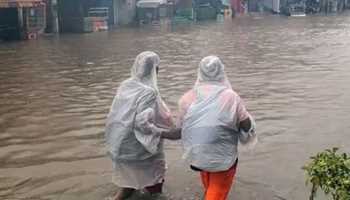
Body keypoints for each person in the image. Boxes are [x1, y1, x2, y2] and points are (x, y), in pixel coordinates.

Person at [176, 56, 257, 200]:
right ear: (221, 72)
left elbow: (181, 130)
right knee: (217, 192)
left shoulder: (186, 98)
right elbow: (246, 125)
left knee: (210, 186)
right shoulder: (230, 97)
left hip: (197, 157)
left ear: (199, 72)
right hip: (223, 159)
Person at [105, 51, 176, 200]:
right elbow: (142, 123)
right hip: (140, 147)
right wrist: (164, 133)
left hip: (122, 142)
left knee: (127, 181)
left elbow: (117, 113)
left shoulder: (126, 84)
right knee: (155, 178)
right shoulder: (149, 91)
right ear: (155, 69)